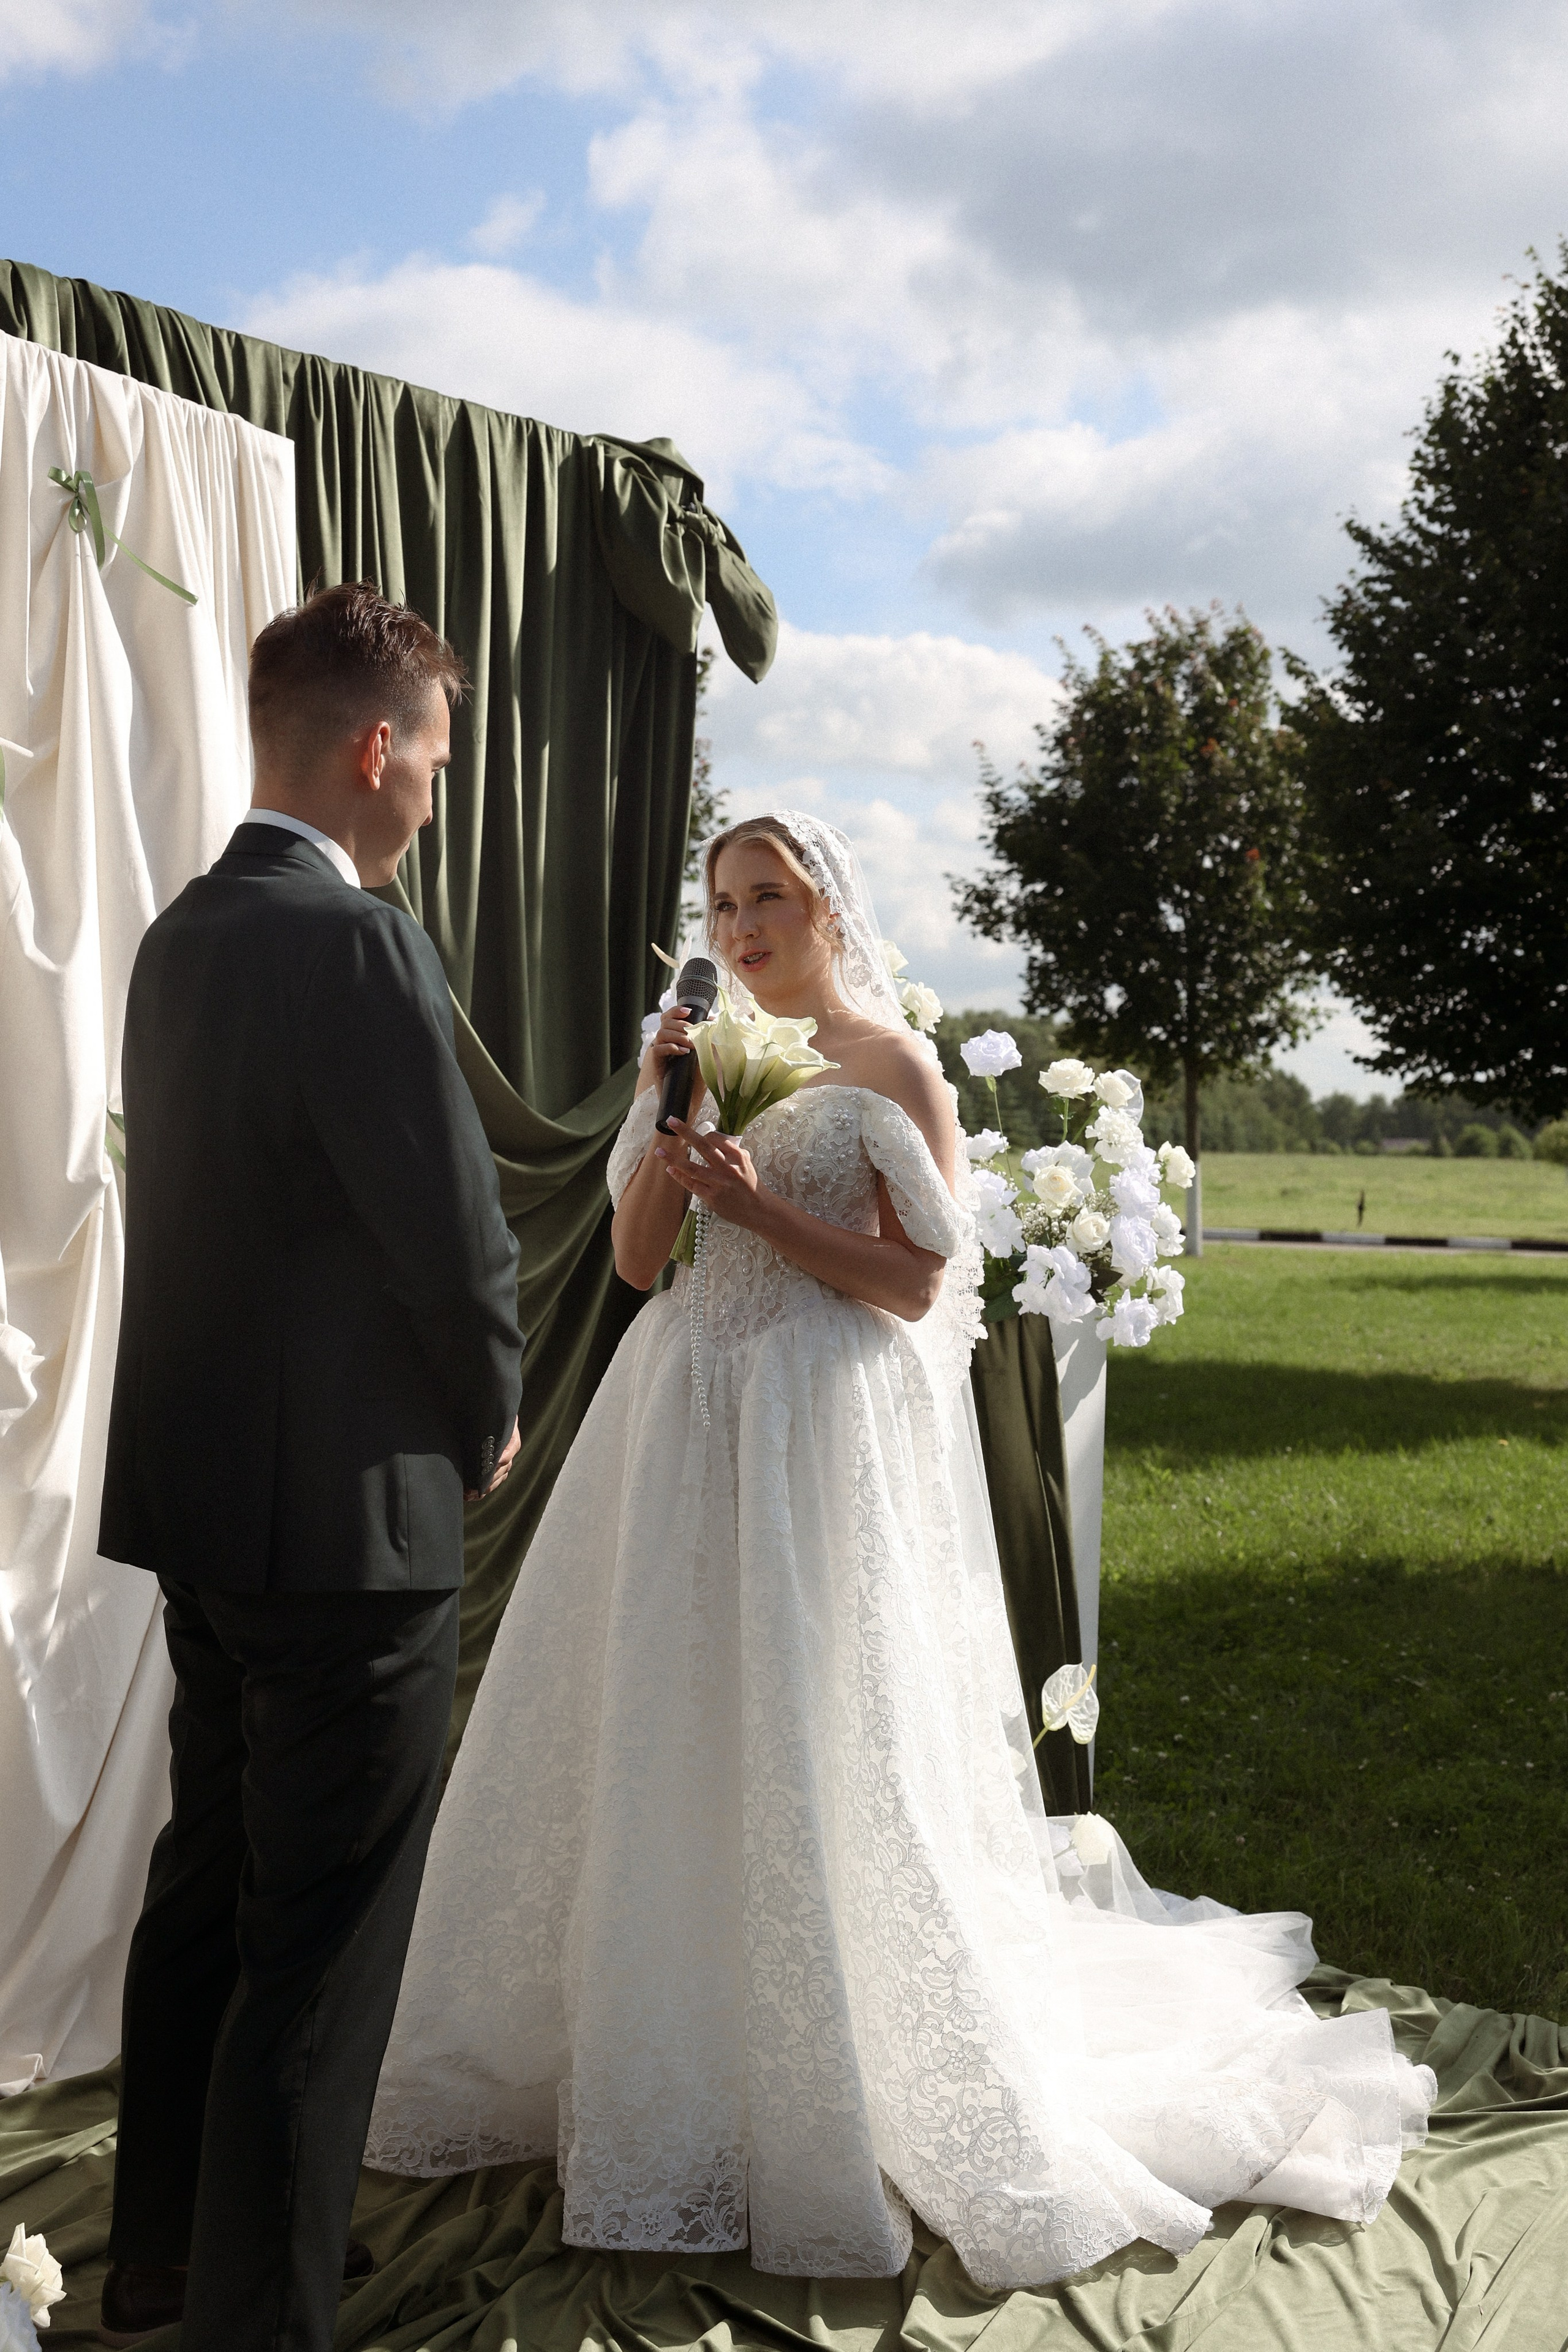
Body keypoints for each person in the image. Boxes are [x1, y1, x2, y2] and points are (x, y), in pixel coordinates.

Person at [366, 810, 1433, 2289]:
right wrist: (675, 1138)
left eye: (766, 901)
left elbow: (923, 1284)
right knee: (667, 1720)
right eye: (722, 905)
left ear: (825, 908)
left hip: (816, 1425)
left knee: (816, 1724)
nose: (739, 932)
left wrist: (763, 1212)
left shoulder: (893, 1067)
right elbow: (625, 1262)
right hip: (681, 1412)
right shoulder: (688, 1050)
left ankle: (838, 2068)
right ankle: (668, 2058)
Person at [96, 584, 525, 2351]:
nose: (434, 786)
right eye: (432, 751)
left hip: (204, 1506)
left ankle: (160, 2265)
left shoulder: (180, 934)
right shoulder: (359, 941)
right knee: (322, 1948)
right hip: (353, 1518)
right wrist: (491, 1400)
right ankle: (255, 2325)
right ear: (375, 746)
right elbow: (449, 1231)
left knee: (210, 1888)